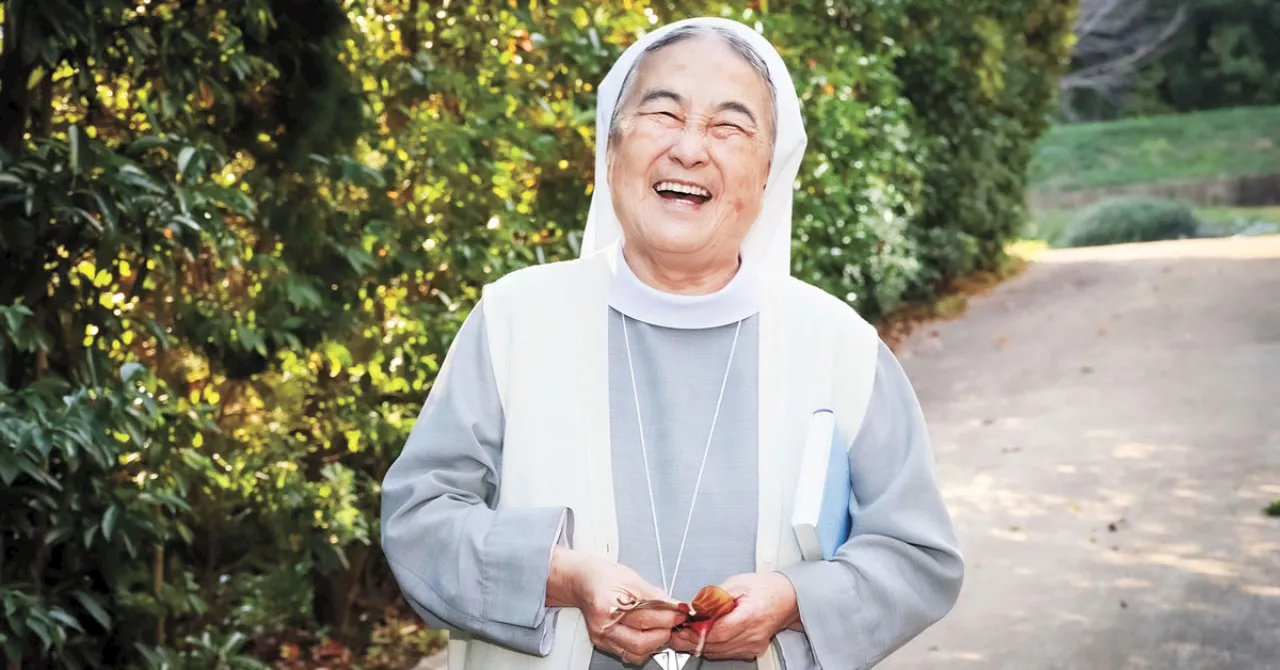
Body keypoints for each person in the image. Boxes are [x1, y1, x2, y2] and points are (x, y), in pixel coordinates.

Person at [380, 16, 962, 670]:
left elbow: (917, 556)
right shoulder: (516, 318)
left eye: (729, 126)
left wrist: (794, 599)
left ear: (768, 170)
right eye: (663, 113)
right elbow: (421, 519)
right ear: (611, 145)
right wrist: (562, 576)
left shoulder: (838, 348)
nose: (690, 149)